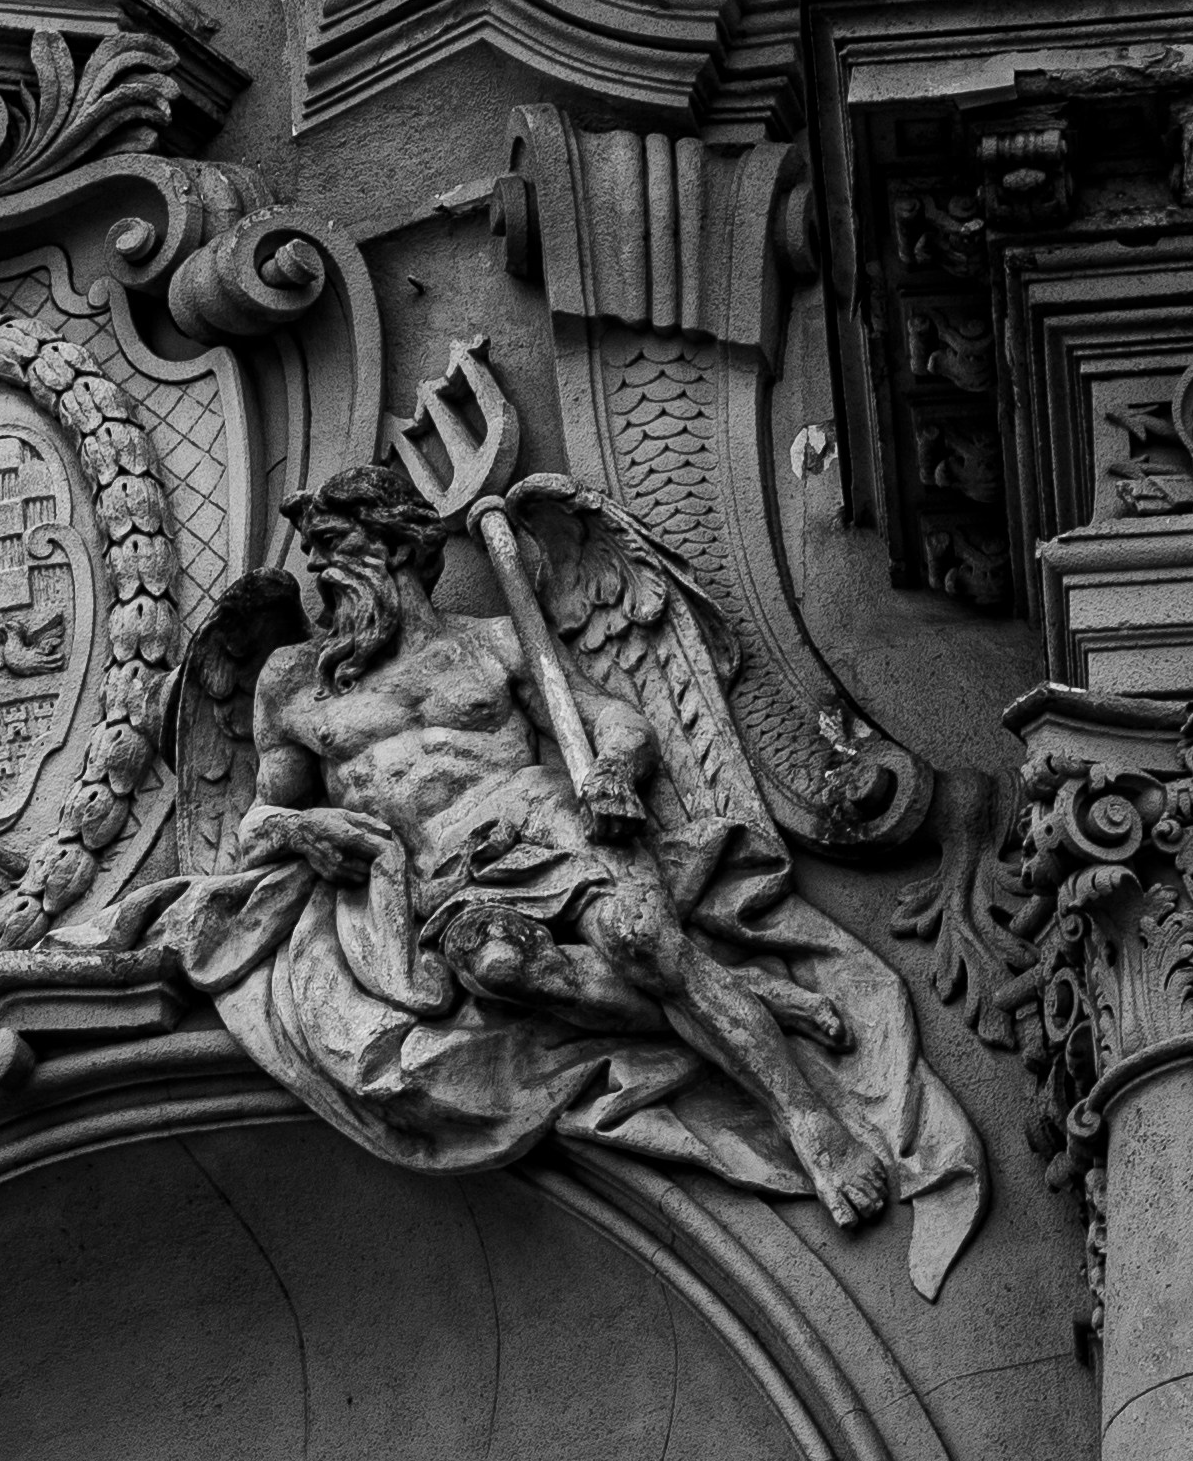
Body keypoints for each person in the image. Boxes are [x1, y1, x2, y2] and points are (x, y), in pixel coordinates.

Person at [164, 478, 906, 1231]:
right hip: (442, 872)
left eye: (335, 547)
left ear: (394, 546)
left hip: (544, 817)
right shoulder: (293, 682)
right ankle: (738, 992)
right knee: (499, 967)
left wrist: (613, 773)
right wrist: (299, 832)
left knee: (638, 941)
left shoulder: (494, 642)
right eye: (313, 555)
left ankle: (812, 1127)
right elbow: (256, 821)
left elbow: (615, 720)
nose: (321, 573)